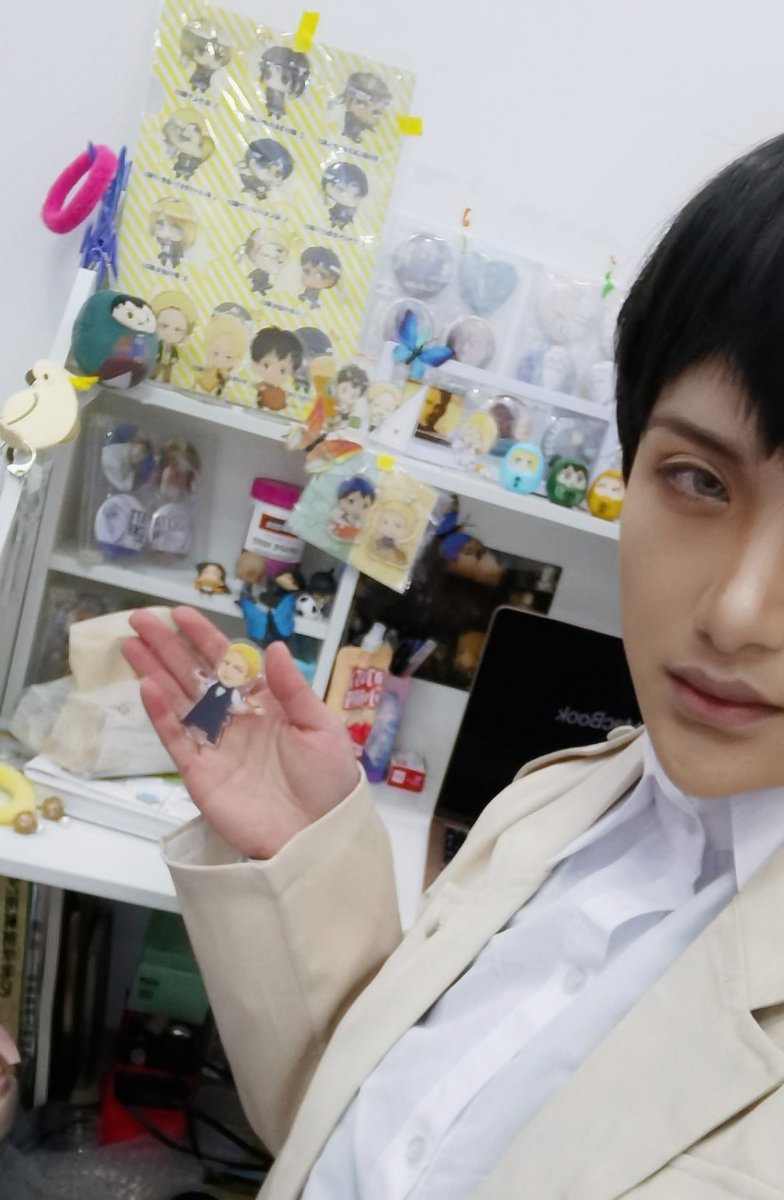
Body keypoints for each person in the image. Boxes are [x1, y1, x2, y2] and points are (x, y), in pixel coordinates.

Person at [124, 133, 784, 1198]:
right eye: (699, 479)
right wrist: (301, 854)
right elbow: (350, 1135)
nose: (738, 611)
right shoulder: (560, 800)